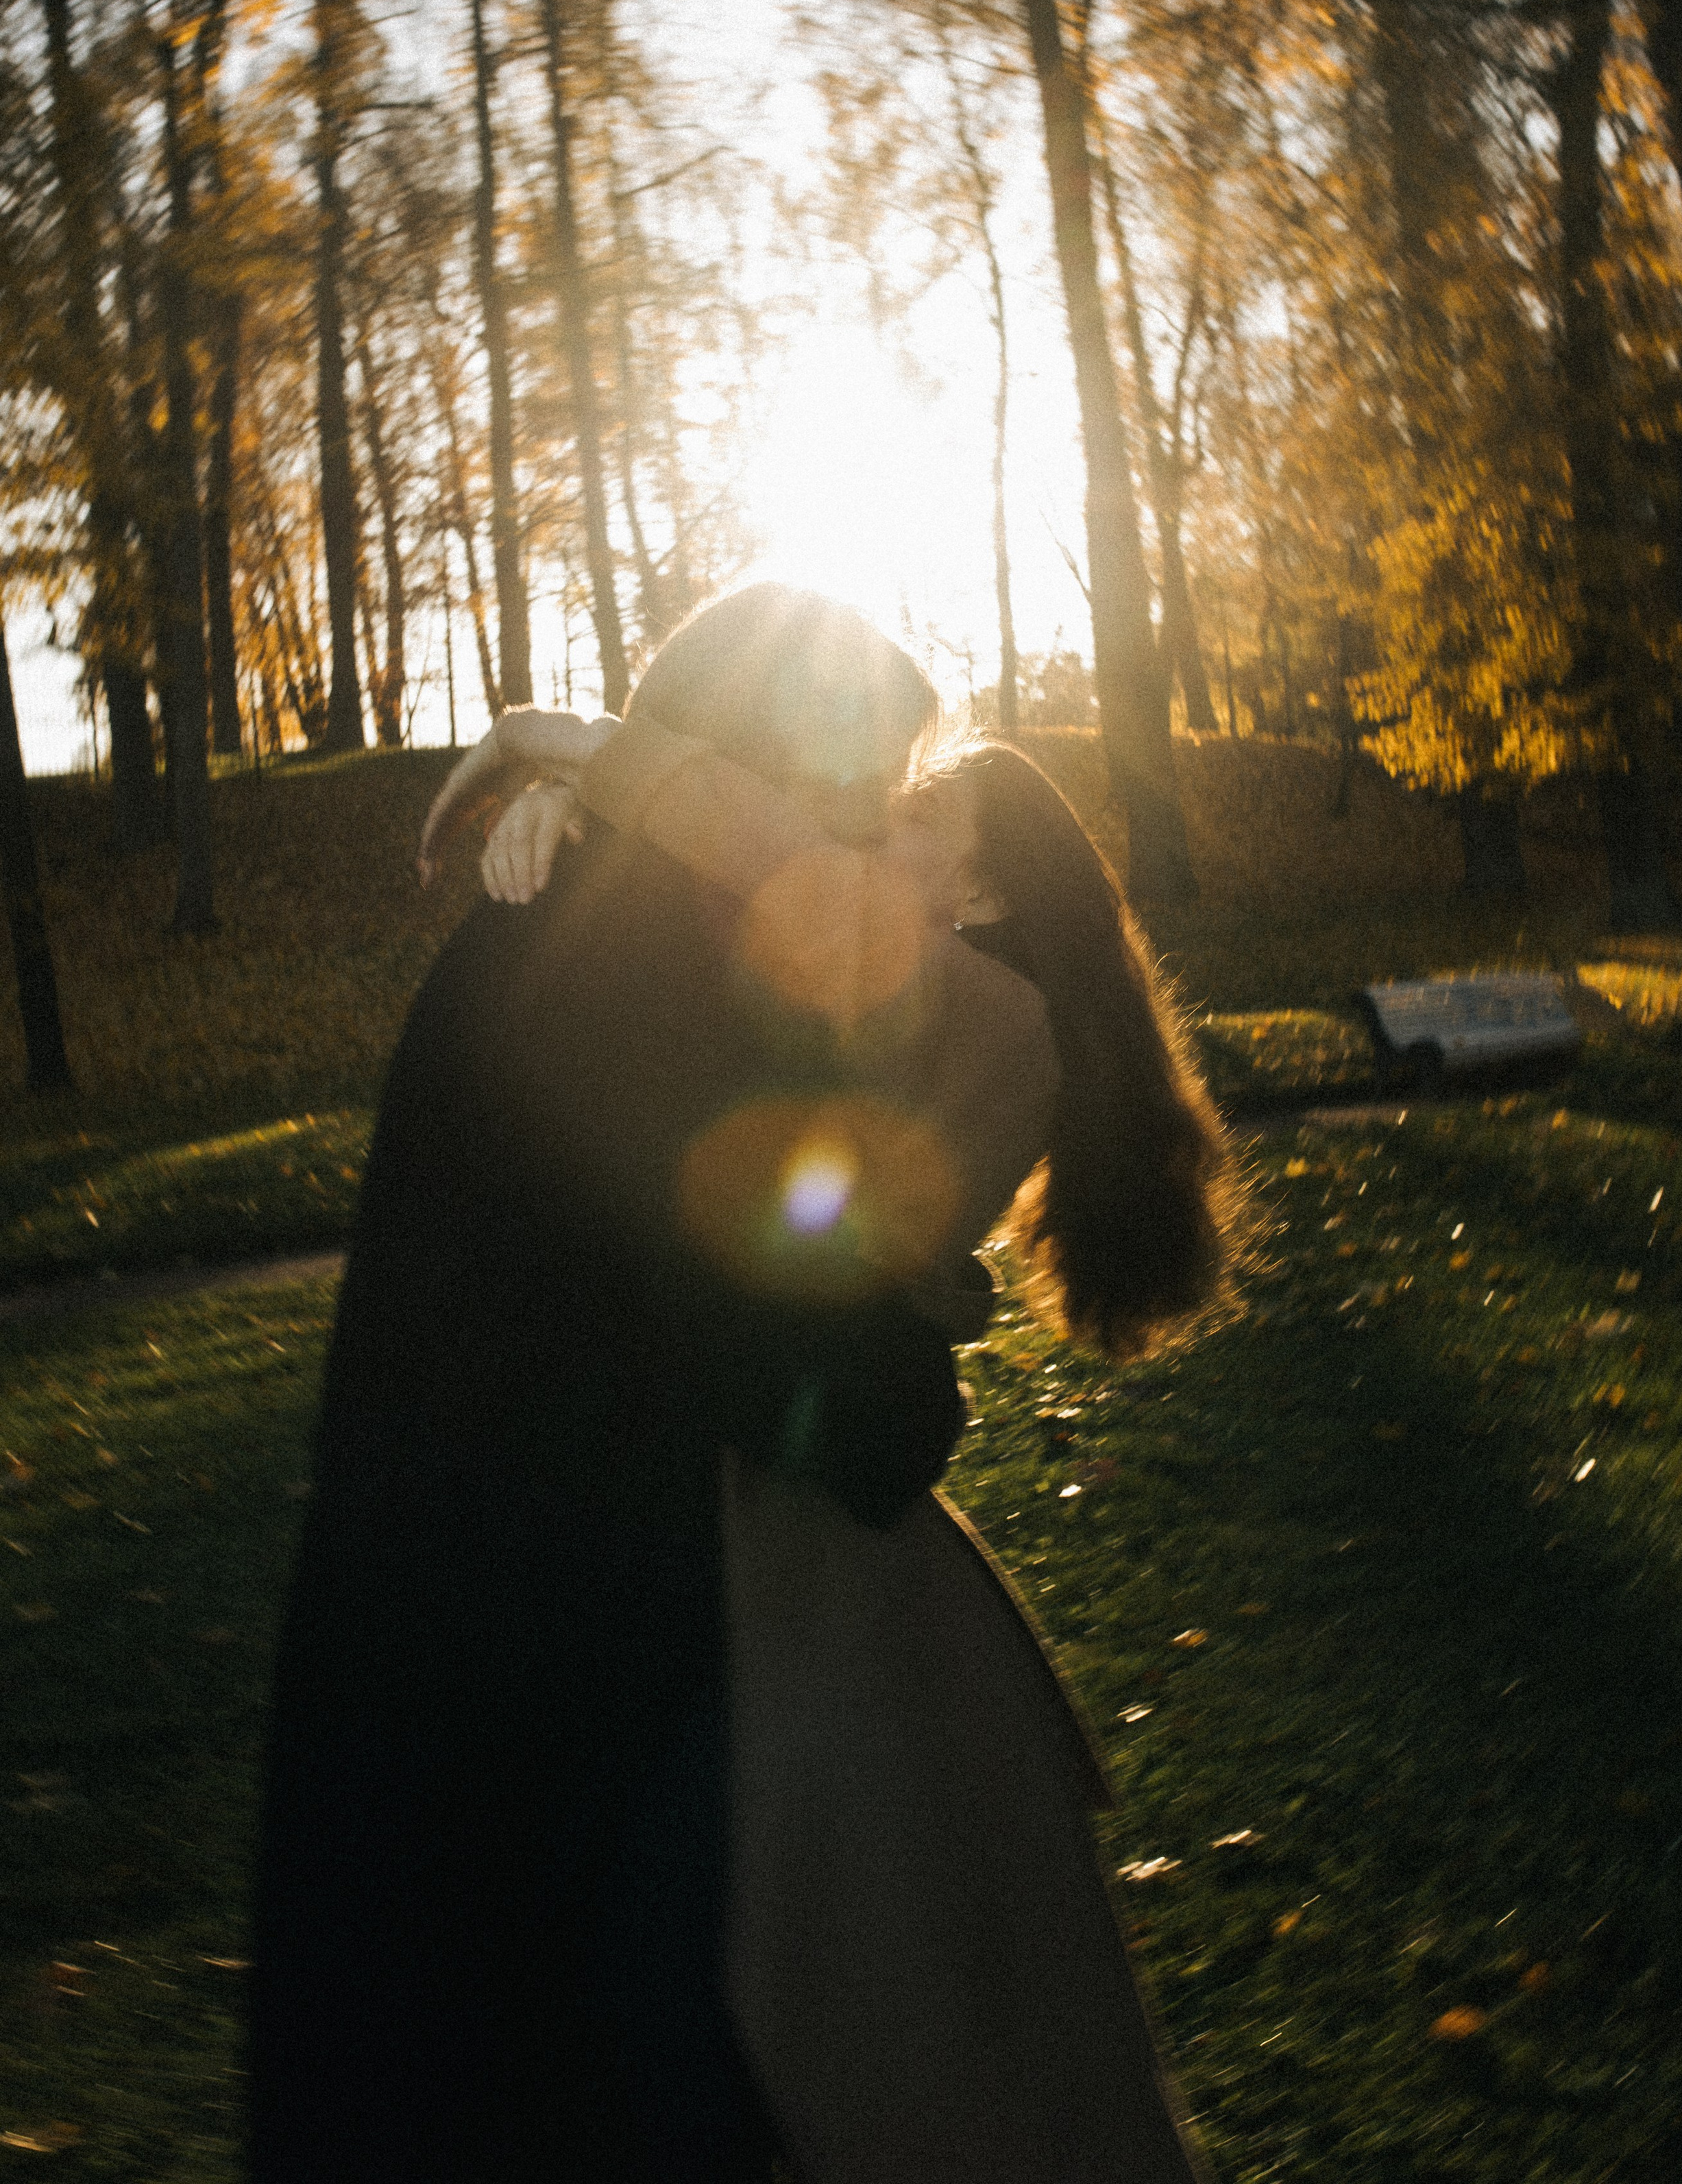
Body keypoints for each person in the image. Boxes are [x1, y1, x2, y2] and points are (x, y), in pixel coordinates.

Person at [424, 682, 1238, 2182]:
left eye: (918, 819)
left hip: (824, 1572)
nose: (867, 831)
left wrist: (561, 740)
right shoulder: (914, 992)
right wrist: (581, 832)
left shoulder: (990, 1013)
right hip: (810, 1546)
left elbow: (760, 856)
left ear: (984, 886)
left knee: (914, 2033)